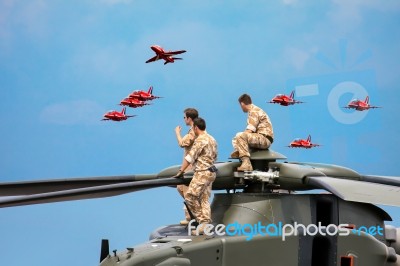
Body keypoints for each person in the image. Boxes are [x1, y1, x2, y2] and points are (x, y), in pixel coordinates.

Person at [174, 117, 218, 235]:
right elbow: (215, 156)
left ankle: (201, 222)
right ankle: (206, 224)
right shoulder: (212, 139)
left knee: (190, 196)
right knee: (204, 199)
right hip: (211, 172)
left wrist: (181, 170)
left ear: (196, 127)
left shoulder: (200, 140)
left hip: (202, 172)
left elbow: (190, 157)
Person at [231, 93, 274, 171]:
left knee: (240, 136)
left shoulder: (254, 111)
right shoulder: (253, 110)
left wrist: (241, 138)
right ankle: (241, 153)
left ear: (242, 103)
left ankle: (246, 163)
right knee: (235, 138)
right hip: (260, 137)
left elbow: (249, 130)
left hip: (264, 138)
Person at [174, 108, 198, 225]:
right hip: (187, 163)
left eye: (184, 117)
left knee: (188, 190)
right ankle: (190, 215)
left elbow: (183, 143)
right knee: (180, 187)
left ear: (189, 118)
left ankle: (192, 217)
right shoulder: (192, 130)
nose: (184, 119)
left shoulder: (194, 130)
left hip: (191, 164)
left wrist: (177, 133)